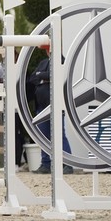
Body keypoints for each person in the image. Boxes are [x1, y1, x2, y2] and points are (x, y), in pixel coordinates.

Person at [28, 45, 73, 174]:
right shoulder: (43, 62)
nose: (49, 51)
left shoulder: (61, 60)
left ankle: (67, 164)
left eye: (51, 48)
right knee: (43, 135)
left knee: (59, 135)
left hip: (55, 104)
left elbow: (57, 74)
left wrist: (41, 76)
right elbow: (32, 78)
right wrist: (44, 77)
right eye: (48, 49)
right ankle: (46, 164)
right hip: (41, 106)